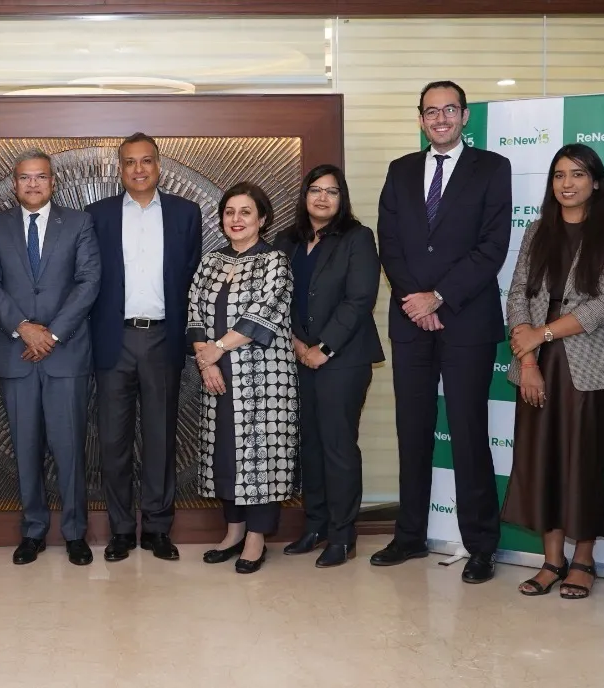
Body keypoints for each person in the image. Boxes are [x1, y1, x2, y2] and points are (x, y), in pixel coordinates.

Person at [373, 80, 512, 583]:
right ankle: (409, 535)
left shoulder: (493, 169)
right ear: (420, 119)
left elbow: (493, 246)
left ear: (465, 115)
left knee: (469, 431)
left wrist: (440, 296)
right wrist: (416, 301)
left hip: (466, 319)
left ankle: (480, 544)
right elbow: (389, 242)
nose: (440, 119)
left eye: (449, 110)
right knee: (412, 431)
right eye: (431, 111)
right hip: (411, 321)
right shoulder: (401, 170)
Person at [500, 144, 604, 600]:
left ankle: (584, 559)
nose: (567, 183)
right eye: (559, 175)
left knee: (582, 460)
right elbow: (517, 293)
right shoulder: (538, 231)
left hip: (587, 357)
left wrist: (542, 336)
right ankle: (552, 560)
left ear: (596, 182)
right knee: (540, 461)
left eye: (577, 175)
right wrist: (527, 359)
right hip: (537, 361)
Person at [0, 149, 102, 566]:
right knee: (25, 448)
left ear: (54, 182)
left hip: (65, 353)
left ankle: (74, 533)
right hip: (16, 353)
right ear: (15, 184)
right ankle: (32, 531)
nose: (33, 184)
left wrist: (51, 333)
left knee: (70, 449)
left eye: (41, 177)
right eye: (25, 178)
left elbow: (88, 282)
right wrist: (23, 327)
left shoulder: (80, 223)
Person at [84, 133, 203, 563]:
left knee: (160, 438)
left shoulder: (185, 214)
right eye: (130, 162)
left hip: (162, 338)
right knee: (113, 441)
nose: (138, 169)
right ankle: (119, 530)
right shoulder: (95, 216)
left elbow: (191, 275)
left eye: (146, 161)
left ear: (159, 166)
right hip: (112, 338)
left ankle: (156, 527)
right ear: (120, 168)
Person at [189, 182, 297, 574]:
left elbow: (263, 314)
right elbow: (194, 313)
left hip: (263, 377)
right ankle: (233, 531)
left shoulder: (274, 262)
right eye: (230, 212)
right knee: (225, 454)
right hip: (216, 374)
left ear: (262, 219)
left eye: (245, 212)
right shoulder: (210, 262)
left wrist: (218, 349)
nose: (236, 220)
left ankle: (256, 538)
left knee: (260, 454)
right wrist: (207, 360)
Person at [281, 164, 383, 568]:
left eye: (333, 191)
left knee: (338, 446)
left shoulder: (357, 238)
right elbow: (276, 296)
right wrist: (295, 343)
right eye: (315, 190)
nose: (323, 197)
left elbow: (359, 299)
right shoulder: (287, 241)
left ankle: (343, 535)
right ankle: (317, 525)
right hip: (296, 355)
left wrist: (323, 348)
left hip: (343, 359)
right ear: (304, 195)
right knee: (309, 446)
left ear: (342, 199)